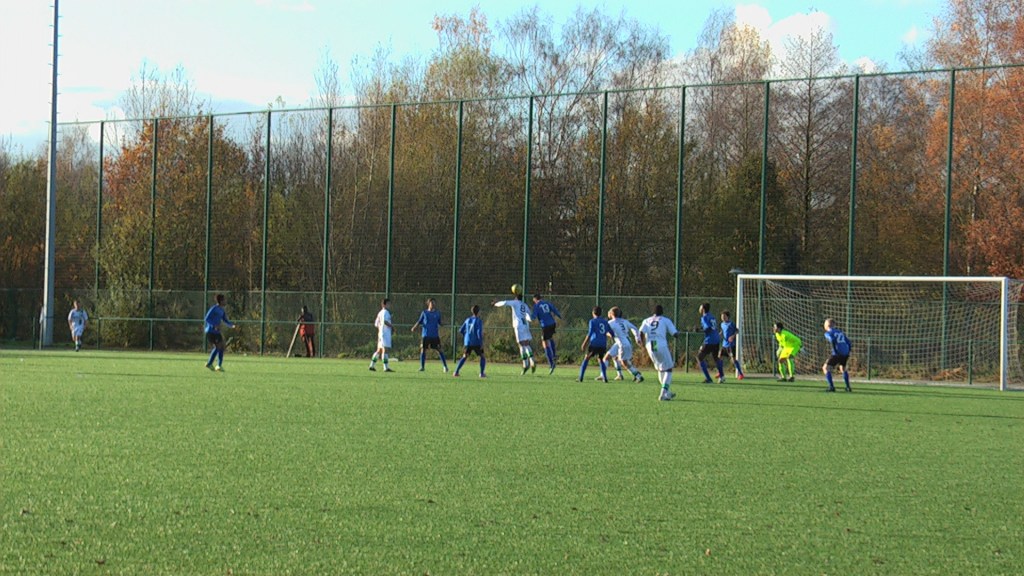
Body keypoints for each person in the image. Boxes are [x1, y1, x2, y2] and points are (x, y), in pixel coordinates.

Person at [638, 304, 680, 401]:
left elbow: (641, 332)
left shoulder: (647, 320)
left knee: (661, 369)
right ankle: (663, 393)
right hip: (660, 344)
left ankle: (667, 392)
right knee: (669, 369)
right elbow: (675, 334)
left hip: (651, 345)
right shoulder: (665, 320)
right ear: (662, 312)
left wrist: (642, 343)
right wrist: (678, 333)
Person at [493, 293, 536, 375]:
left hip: (518, 325)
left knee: (521, 344)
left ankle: (525, 365)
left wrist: (495, 304)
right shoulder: (524, 305)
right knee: (526, 343)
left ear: (516, 298)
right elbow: (530, 317)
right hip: (525, 325)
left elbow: (505, 302)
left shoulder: (515, 302)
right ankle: (532, 361)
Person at [604, 306, 644, 382]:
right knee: (610, 357)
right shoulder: (624, 321)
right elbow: (635, 328)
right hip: (625, 341)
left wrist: (607, 334)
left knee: (624, 362)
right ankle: (618, 375)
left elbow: (608, 333)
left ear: (612, 314)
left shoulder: (610, 323)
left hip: (622, 344)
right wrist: (637, 338)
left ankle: (638, 375)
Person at [411, 297, 449, 372]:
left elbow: (440, 322)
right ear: (428, 304)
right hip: (426, 335)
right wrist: (414, 327)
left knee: (439, 350)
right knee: (423, 350)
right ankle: (422, 367)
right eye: (432, 303)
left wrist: (444, 324)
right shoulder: (424, 313)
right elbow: (419, 321)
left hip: (434, 335)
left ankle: (445, 366)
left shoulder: (437, 313)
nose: (433, 304)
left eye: (434, 303)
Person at [578, 306, 612, 382]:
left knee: (586, 358)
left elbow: (590, 333)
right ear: (601, 313)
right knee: (600, 359)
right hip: (603, 344)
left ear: (593, 313)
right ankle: (605, 378)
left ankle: (580, 377)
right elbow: (611, 332)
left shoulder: (592, 321)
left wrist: (584, 343)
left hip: (594, 343)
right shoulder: (605, 322)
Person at [204, 294, 236, 371]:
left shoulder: (221, 310)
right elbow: (207, 318)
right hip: (210, 331)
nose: (225, 301)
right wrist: (214, 325)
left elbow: (225, 320)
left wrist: (231, 325)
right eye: (224, 300)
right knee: (219, 346)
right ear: (221, 301)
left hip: (216, 332)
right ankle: (215, 365)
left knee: (221, 346)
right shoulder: (214, 308)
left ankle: (214, 364)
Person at [532, 293, 562, 374]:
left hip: (545, 325)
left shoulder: (537, 306)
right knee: (550, 338)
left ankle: (551, 364)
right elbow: (554, 310)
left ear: (535, 299)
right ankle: (554, 355)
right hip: (552, 323)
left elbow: (533, 316)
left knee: (544, 343)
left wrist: (528, 318)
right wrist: (559, 316)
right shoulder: (547, 303)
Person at [453, 304, 486, 378]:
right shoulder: (479, 321)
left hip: (467, 342)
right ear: (478, 312)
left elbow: (461, 330)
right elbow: (478, 332)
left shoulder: (467, 319)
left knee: (464, 356)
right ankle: (481, 373)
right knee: (482, 357)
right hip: (476, 342)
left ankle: (456, 372)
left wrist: (466, 336)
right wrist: (481, 343)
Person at [697, 303, 725, 383]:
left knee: (699, 357)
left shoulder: (704, 317)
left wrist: (699, 330)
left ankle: (708, 378)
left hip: (709, 340)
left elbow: (708, 328)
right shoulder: (712, 316)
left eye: (700, 307)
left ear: (703, 309)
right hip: (716, 339)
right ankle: (722, 376)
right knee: (716, 358)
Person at [822, 318, 852, 392]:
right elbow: (849, 342)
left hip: (837, 353)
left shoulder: (828, 333)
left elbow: (832, 339)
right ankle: (848, 387)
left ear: (827, 325)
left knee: (825, 368)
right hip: (845, 353)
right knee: (843, 368)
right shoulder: (840, 332)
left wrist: (835, 350)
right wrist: (848, 351)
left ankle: (831, 387)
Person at [369, 298, 394, 372]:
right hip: (384, 334)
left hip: (380, 333)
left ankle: (372, 365)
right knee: (385, 350)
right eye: (388, 304)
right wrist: (392, 327)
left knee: (379, 350)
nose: (389, 305)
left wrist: (380, 329)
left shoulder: (380, 313)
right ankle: (385, 368)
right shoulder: (385, 312)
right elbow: (385, 321)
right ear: (384, 305)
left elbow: (376, 324)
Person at [718, 310, 744, 380]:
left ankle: (741, 374)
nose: (722, 317)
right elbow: (722, 331)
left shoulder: (731, 323)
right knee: (719, 357)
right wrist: (719, 335)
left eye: (724, 316)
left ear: (727, 317)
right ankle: (720, 372)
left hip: (731, 345)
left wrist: (732, 336)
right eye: (722, 316)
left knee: (733, 360)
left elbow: (737, 330)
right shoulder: (722, 324)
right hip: (724, 344)